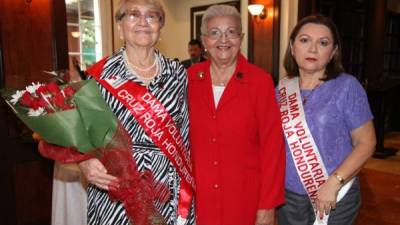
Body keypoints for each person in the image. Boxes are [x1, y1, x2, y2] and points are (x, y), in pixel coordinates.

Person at [77, 0, 194, 224]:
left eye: (152, 16)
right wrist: (84, 163)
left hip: (166, 186)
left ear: (160, 28)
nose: (143, 22)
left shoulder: (178, 74)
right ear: (120, 26)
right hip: (115, 185)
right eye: (133, 15)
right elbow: (80, 132)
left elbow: (186, 135)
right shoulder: (99, 75)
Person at [187, 5, 285, 225]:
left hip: (244, 197)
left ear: (240, 38)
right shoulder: (188, 78)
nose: (224, 39)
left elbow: (273, 147)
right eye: (214, 33)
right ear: (204, 40)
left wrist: (267, 205)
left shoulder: (261, 81)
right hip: (198, 198)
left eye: (231, 32)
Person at [277, 15, 376, 225]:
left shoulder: (347, 86)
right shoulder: (281, 89)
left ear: (332, 53)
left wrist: (334, 183)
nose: (313, 49)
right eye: (304, 40)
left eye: (323, 43)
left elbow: (366, 143)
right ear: (292, 48)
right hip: (288, 197)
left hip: (334, 195)